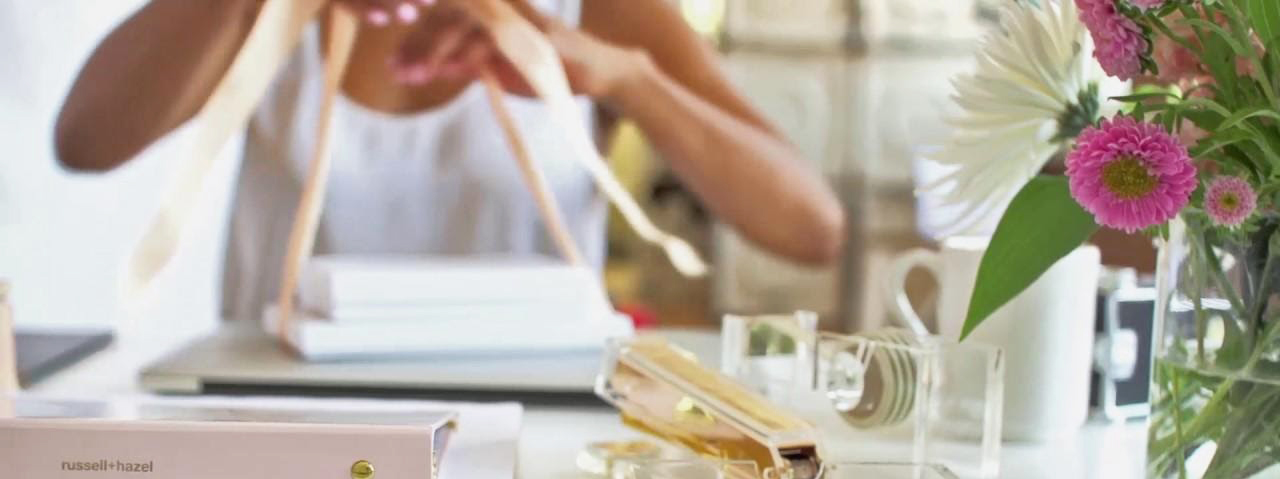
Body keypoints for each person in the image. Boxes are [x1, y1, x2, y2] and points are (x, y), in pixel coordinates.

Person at [55, 0, 846, 320]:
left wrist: (619, 75)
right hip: (286, 431)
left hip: (525, 439)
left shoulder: (595, 6)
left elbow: (812, 228)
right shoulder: (266, 11)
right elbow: (86, 141)